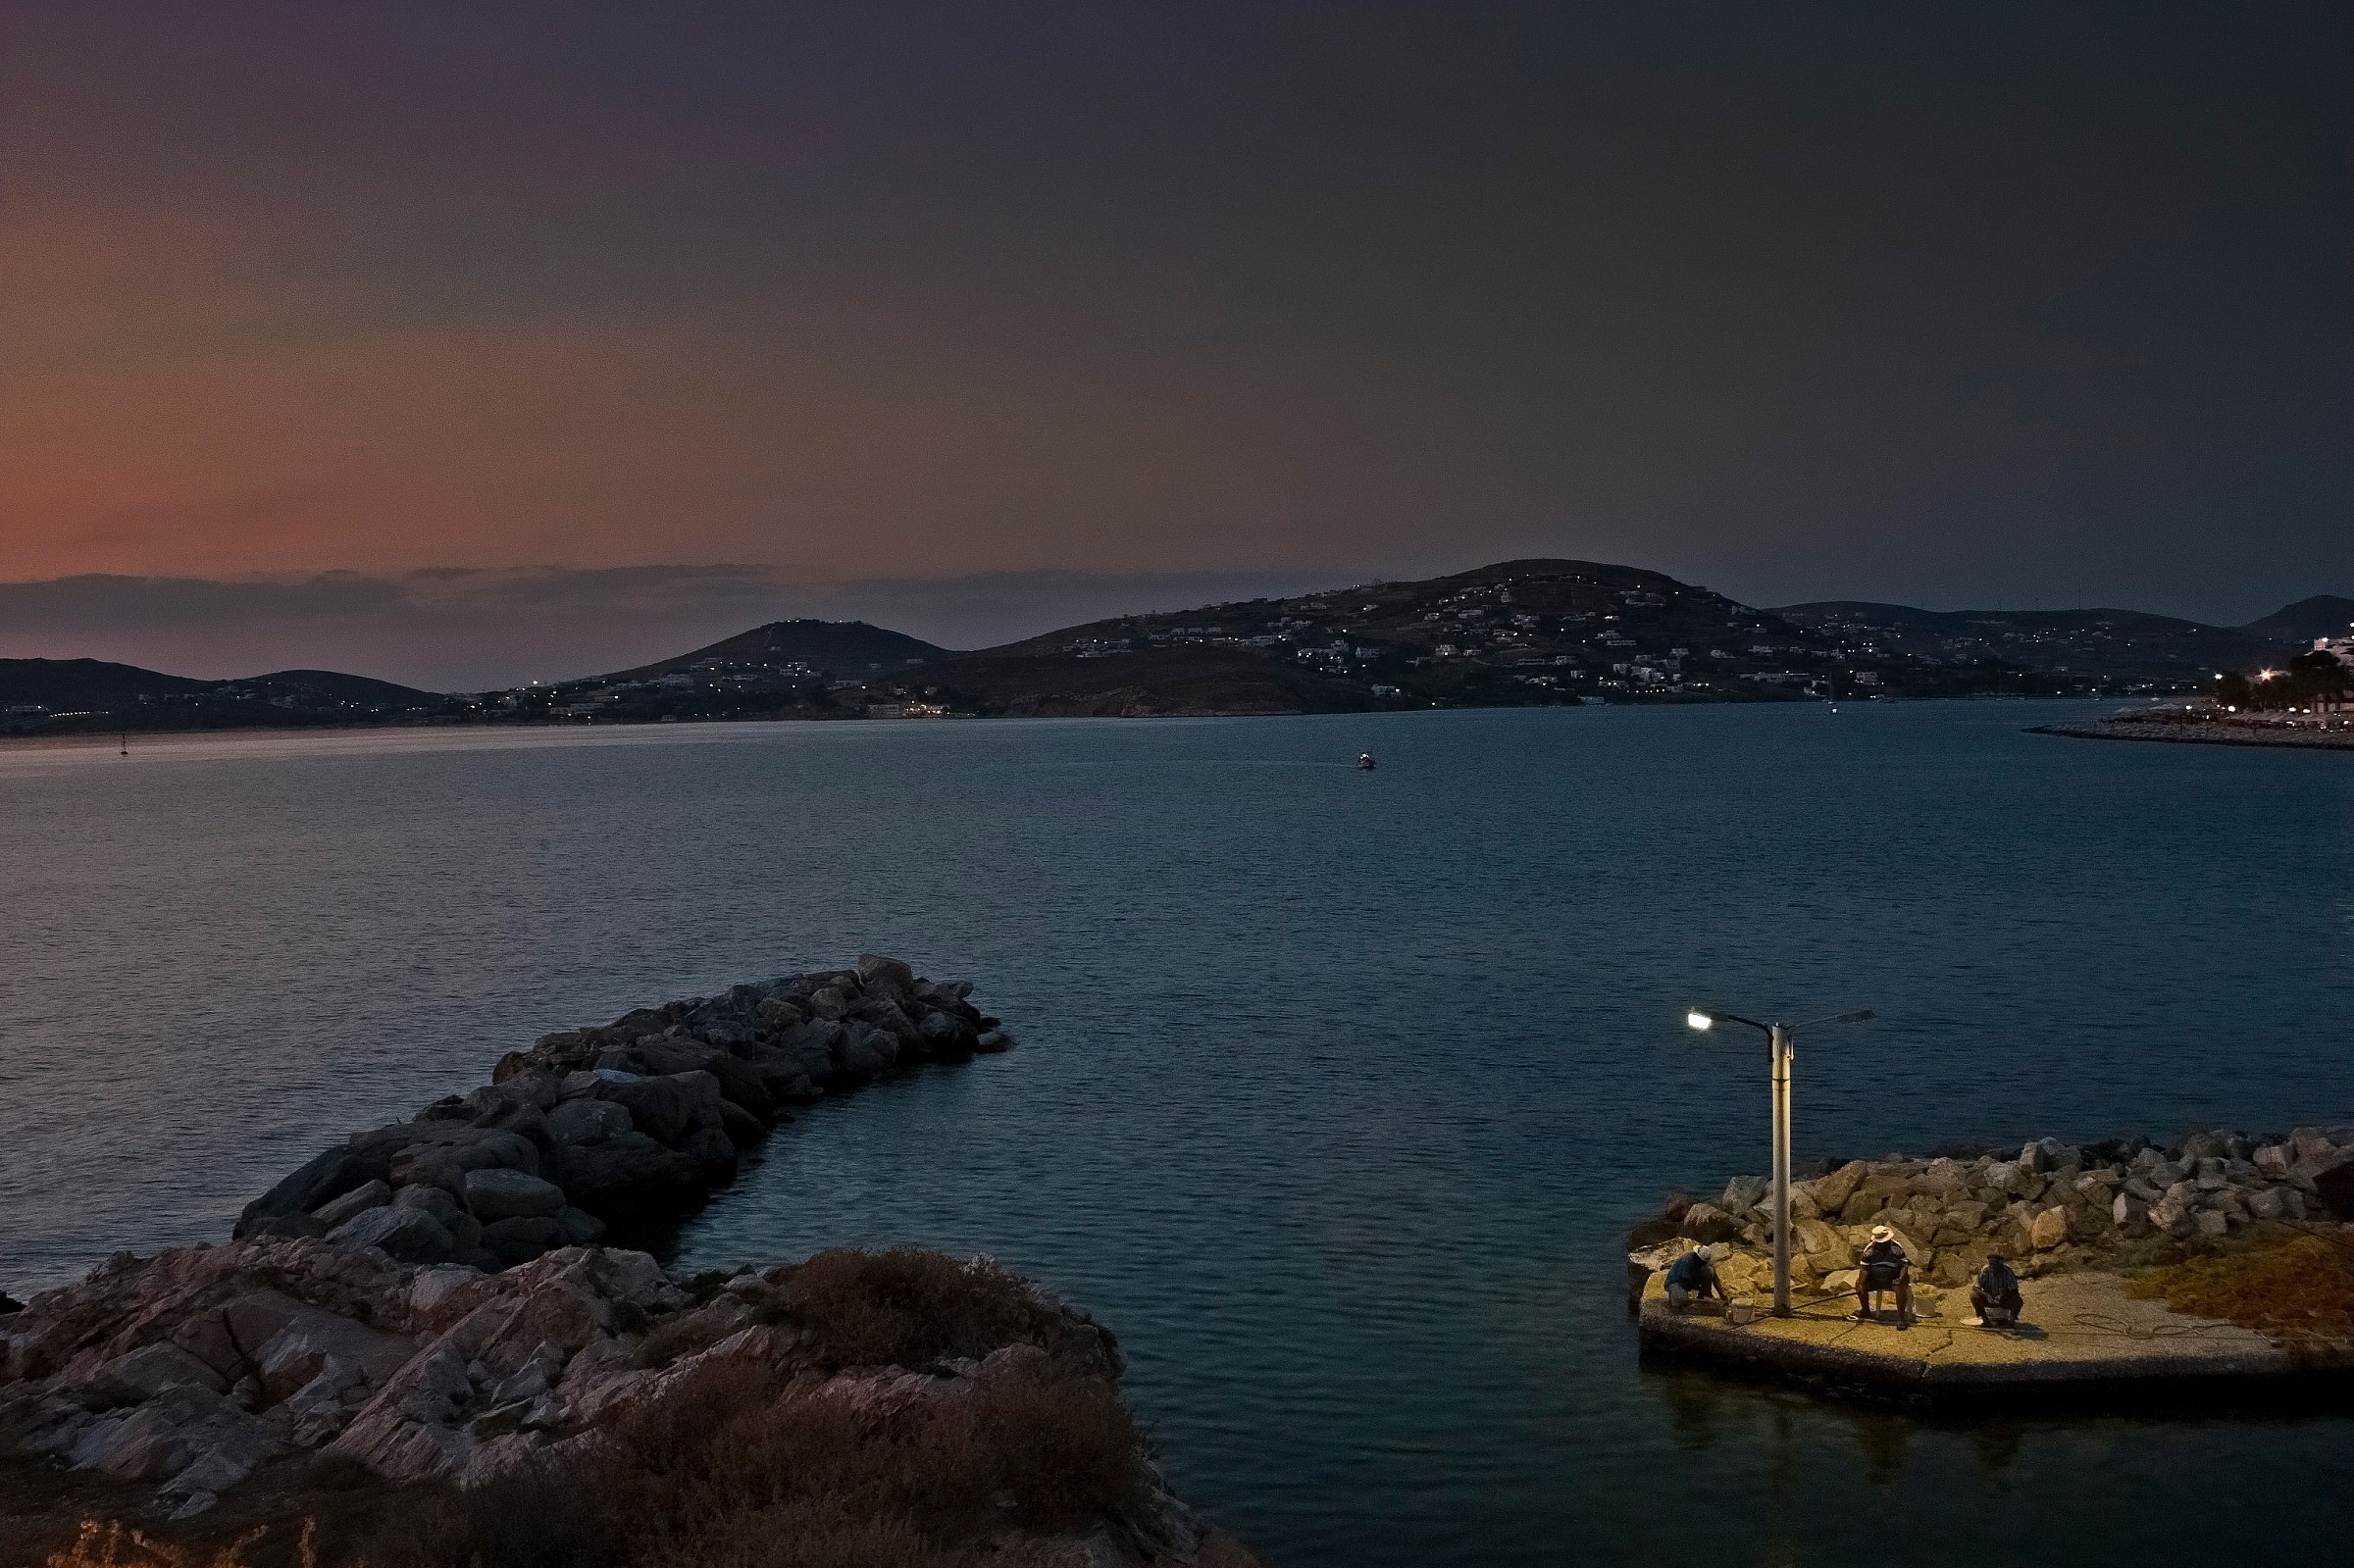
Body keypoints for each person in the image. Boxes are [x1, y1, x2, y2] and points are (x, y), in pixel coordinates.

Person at [1855, 1224, 1914, 1326]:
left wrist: (1900, 1278)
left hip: (1893, 1280)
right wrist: (1861, 1283)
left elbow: (1904, 1265)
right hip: (1875, 1280)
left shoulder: (1896, 1248)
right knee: (1859, 1284)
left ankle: (1901, 1318)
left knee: (1899, 1289)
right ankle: (1865, 1310)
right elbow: (1864, 1269)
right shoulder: (1869, 1250)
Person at [1663, 1247, 1724, 1312]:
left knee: (1710, 1271)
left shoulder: (1704, 1261)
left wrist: (1722, 1295)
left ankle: (1703, 1295)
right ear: (1697, 1257)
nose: (1704, 1264)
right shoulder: (1686, 1260)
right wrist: (1701, 1288)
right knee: (1681, 1300)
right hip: (1676, 1282)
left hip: (1692, 1278)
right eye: (1702, 1262)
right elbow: (1688, 1281)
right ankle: (1674, 1295)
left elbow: (1714, 1278)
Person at [1970, 1254, 2022, 1329]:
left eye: (1995, 1264)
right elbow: (1976, 1287)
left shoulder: (2007, 1272)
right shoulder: (1985, 1270)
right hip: (1989, 1298)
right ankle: (1986, 1320)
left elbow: (2014, 1290)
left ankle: (2011, 1322)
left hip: (2004, 1299)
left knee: (2017, 1300)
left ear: (2000, 1264)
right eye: (1990, 1264)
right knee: (1974, 1296)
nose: (1992, 1267)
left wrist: (2003, 1295)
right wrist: (1987, 1296)